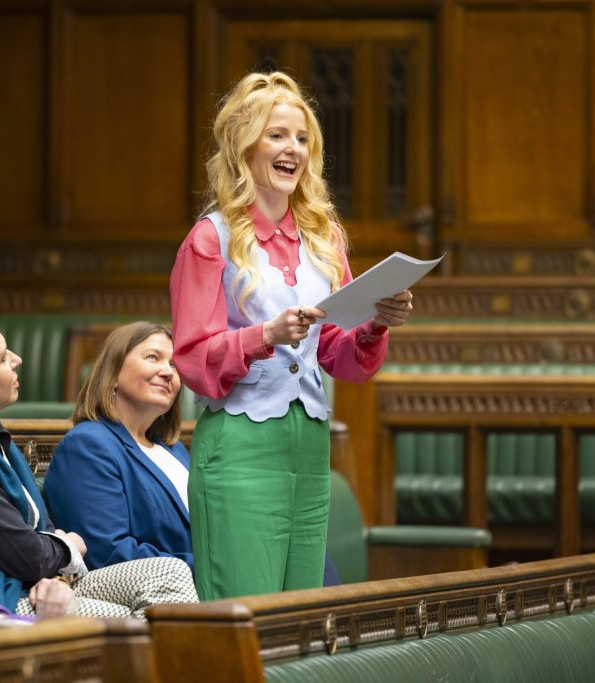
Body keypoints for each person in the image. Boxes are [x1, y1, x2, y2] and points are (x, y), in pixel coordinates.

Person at [170, 71, 414, 600]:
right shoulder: (209, 239)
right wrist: (265, 335)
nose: (293, 150)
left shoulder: (325, 238)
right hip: (240, 447)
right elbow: (192, 360)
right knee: (247, 612)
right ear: (244, 145)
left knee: (299, 619)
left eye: (303, 139)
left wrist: (373, 324)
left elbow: (337, 354)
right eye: (278, 135)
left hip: (308, 446)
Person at [0, 302, 197, 619]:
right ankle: (191, 666)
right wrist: (66, 548)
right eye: (3, 358)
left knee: (168, 572)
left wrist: (57, 573)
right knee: (129, 625)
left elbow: (40, 531)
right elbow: (25, 552)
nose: (17, 360)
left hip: (43, 581)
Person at [45, 322, 192, 571]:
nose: (168, 372)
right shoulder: (88, 445)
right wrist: (212, 570)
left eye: (174, 365)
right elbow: (108, 553)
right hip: (142, 602)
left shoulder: (174, 449)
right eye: (153, 357)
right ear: (113, 374)